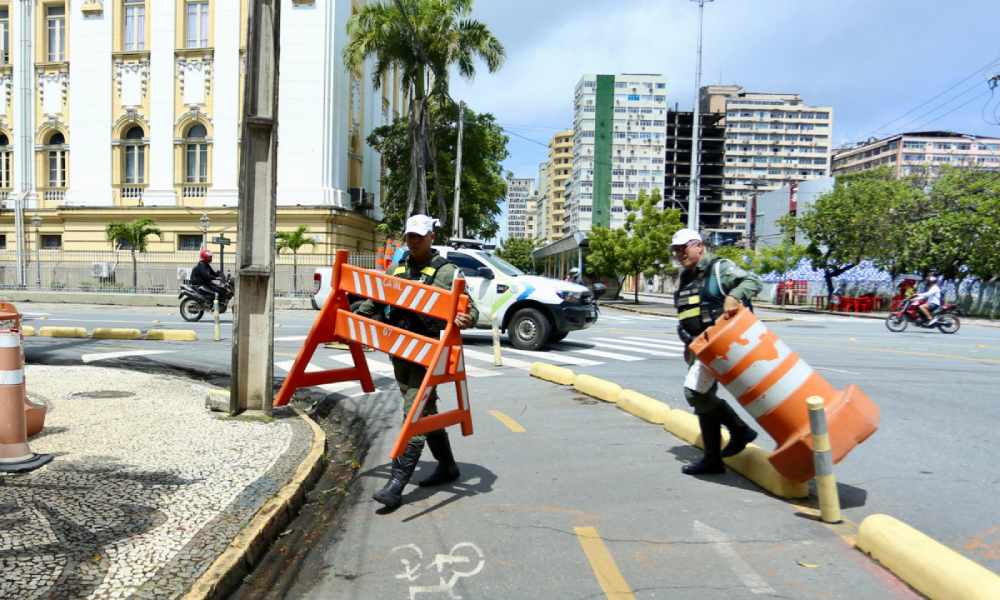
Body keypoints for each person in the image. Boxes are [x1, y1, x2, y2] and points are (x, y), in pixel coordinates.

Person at [355, 214, 479, 510]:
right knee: (426, 408)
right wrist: (359, 317)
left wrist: (465, 318)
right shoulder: (398, 267)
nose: (413, 241)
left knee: (414, 411)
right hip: (400, 352)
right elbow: (377, 299)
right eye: (409, 236)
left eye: (418, 237)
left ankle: (396, 484)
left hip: (430, 354)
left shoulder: (448, 272)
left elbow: (471, 310)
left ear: (431, 237)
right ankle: (448, 467)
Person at [672, 228, 762, 475]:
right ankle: (713, 459)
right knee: (702, 401)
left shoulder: (720, 268)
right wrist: (687, 342)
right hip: (699, 348)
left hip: (723, 344)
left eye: (684, 248)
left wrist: (734, 296)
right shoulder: (686, 278)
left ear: (699, 246)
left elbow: (753, 281)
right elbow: (686, 316)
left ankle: (740, 430)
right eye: (676, 250)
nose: (680, 254)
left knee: (694, 394)